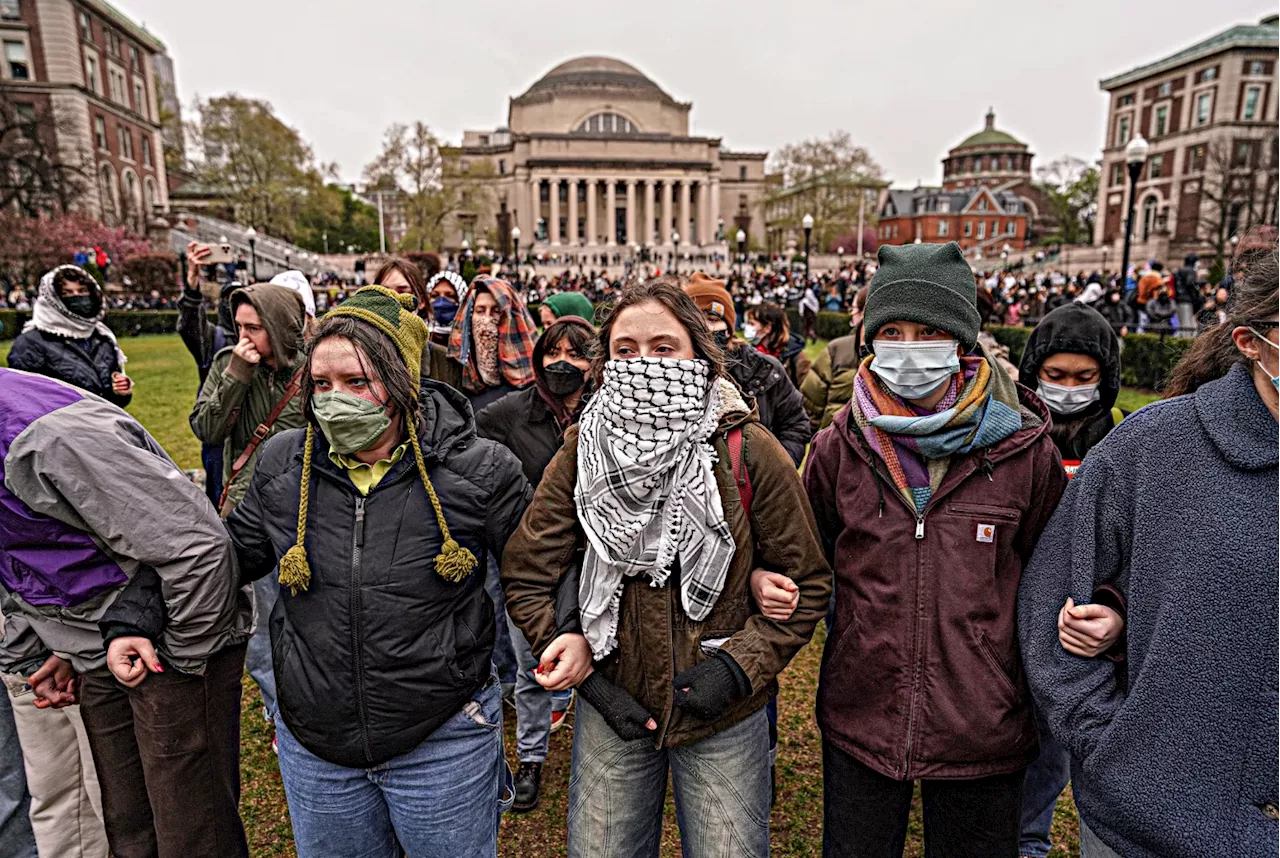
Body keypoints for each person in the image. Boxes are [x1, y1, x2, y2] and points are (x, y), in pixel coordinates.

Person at [502, 277, 832, 857]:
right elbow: (529, 569)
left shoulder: (747, 448)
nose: (642, 364)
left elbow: (806, 581)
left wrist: (735, 670)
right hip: (615, 701)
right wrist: (572, 651)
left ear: (698, 354)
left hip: (723, 709)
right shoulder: (584, 448)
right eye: (625, 351)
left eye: (663, 348)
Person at [225, 286, 532, 858]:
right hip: (318, 750)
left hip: (442, 738)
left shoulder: (478, 470)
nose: (335, 399)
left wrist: (563, 634)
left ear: (401, 383)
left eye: (357, 382)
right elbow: (225, 560)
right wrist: (136, 615)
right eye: (321, 385)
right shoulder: (283, 464)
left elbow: (539, 568)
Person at [804, 242, 1068, 858]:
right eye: (891, 330)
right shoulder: (837, 448)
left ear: (961, 343)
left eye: (927, 331)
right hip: (864, 710)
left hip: (984, 721)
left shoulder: (1025, 452)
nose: (908, 346)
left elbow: (1056, 572)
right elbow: (810, 560)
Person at [1018, 249, 1280, 858]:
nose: (1071, 389)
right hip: (1142, 824)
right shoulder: (1152, 448)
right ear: (1250, 342)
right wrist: (1110, 746)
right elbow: (1054, 592)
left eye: (1086, 377)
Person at [0, 366, 253, 858]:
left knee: (191, 832)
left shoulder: (48, 440)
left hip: (171, 628)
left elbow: (199, 548)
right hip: (96, 642)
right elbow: (15, 548)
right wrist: (44, 642)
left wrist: (180, 663)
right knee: (130, 829)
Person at [1014, 304, 1129, 858]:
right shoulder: (1008, 437)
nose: (1068, 391)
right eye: (1054, 377)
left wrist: (1117, 612)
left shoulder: (1129, 448)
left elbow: (1143, 555)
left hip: (1083, 649)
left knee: (1069, 770)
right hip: (1011, 636)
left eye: (1085, 379)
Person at [475, 316, 595, 813]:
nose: (561, 364)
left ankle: (605, 760)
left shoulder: (608, 408)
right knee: (532, 665)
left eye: (575, 354)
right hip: (532, 562)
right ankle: (531, 758)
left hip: (595, 559)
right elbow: (466, 445)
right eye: (553, 353)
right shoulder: (514, 411)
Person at [190, 282, 308, 740]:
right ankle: (282, 714)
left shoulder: (311, 369)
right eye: (238, 326)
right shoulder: (228, 364)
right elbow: (208, 429)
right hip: (249, 514)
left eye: (254, 327)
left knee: (308, 615)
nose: (243, 336)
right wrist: (237, 375)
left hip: (306, 512)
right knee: (260, 626)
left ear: (278, 327)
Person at [685, 272, 810, 465]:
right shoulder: (670, 371)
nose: (704, 328)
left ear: (728, 327)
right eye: (694, 320)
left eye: (712, 318)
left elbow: (795, 425)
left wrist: (774, 471)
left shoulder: (765, 369)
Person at [6, 265, 133, 407]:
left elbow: (110, 397)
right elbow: (24, 402)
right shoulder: (31, 342)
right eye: (67, 293)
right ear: (54, 299)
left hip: (101, 426)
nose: (77, 296)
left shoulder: (102, 337)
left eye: (82, 291)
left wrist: (121, 392)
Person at [179, 243, 242, 505]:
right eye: (228, 300)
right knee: (219, 496)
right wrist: (193, 284)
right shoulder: (214, 339)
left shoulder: (266, 337)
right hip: (219, 429)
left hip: (254, 429)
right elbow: (191, 323)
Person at [446, 276, 538, 411]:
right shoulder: (459, 374)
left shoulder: (531, 383)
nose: (486, 320)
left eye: (496, 311)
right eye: (480, 311)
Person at [375, 257, 462, 387]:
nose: (392, 299)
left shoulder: (446, 364)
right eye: (384, 292)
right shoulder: (358, 358)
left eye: (403, 291)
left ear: (421, 301)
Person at [802, 286, 868, 432]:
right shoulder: (837, 349)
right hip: (836, 444)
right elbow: (811, 405)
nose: (852, 315)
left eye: (854, 309)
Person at [745, 300, 812, 390]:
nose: (748, 327)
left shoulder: (797, 358)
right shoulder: (750, 353)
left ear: (768, 328)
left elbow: (807, 393)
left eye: (752, 323)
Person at [425, 270, 469, 347]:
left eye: (450, 296)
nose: (441, 302)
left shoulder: (469, 339)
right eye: (435, 296)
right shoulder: (418, 335)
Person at [1173, 253, 1200, 338]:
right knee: (1186, 324)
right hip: (1186, 300)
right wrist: (1195, 295)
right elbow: (1190, 284)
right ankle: (1185, 343)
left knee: (1182, 323)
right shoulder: (1190, 271)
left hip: (1179, 299)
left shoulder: (1180, 270)